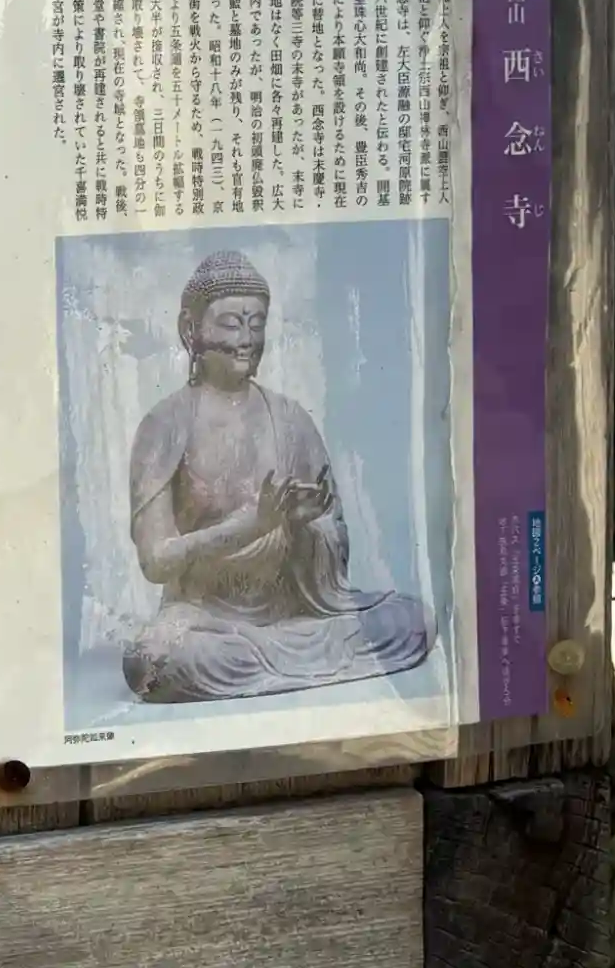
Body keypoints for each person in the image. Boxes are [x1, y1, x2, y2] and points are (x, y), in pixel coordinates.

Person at [122, 250, 432, 703]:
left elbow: (334, 539)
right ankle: (278, 661)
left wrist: (303, 527)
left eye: (257, 324)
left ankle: (275, 660)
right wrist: (250, 526)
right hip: (206, 619)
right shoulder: (165, 424)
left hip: (292, 615)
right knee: (153, 660)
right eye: (231, 324)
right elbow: (155, 560)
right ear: (191, 329)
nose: (246, 339)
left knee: (410, 619)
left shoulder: (290, 419)